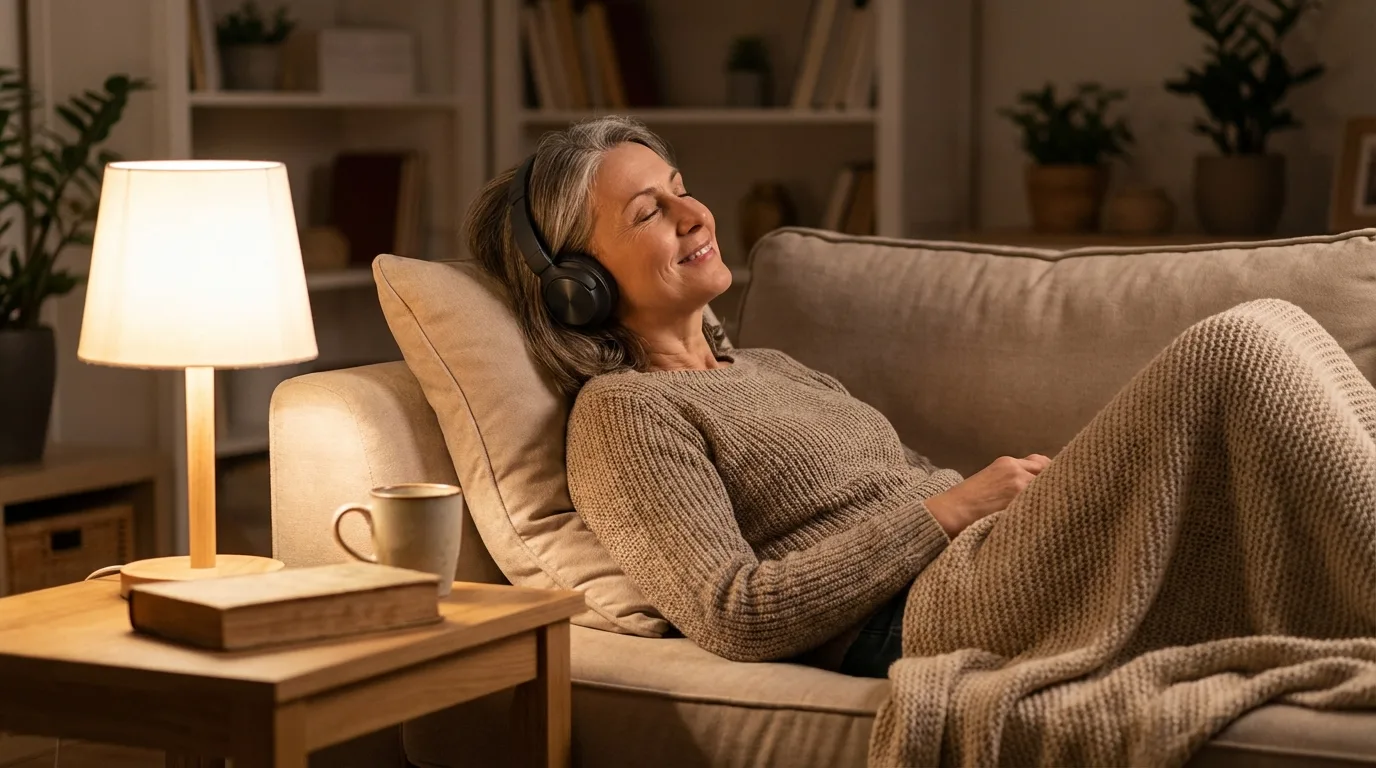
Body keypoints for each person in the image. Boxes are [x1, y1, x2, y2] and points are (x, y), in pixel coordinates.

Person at [465, 117, 1093, 676]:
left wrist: (1032, 495)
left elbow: (915, 481)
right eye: (649, 212)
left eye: (680, 189)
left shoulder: (771, 367)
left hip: (996, 555)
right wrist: (952, 509)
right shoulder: (627, 412)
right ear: (580, 284)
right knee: (1197, 363)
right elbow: (732, 612)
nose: (695, 215)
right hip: (927, 606)